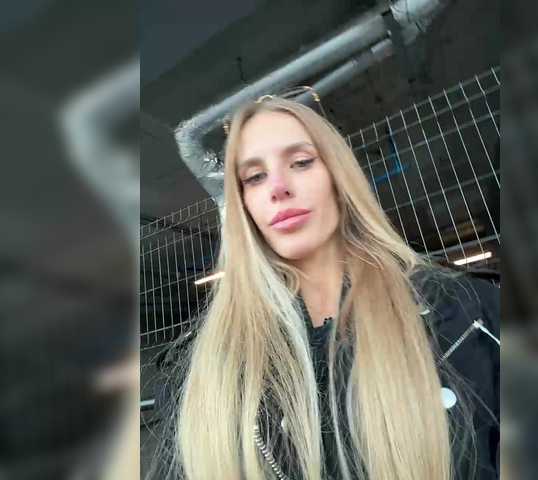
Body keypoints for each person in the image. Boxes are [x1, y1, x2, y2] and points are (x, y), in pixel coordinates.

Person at [152, 96, 499, 480]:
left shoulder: (468, 312)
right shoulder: (201, 370)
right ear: (244, 203)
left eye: (301, 162)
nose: (278, 188)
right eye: (254, 177)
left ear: (338, 176)